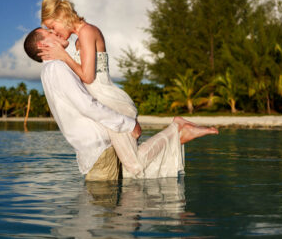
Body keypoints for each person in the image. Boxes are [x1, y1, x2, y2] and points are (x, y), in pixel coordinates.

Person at [24, 27, 218, 181]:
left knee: (107, 215)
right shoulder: (56, 68)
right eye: (49, 33)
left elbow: (87, 101)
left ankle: (176, 131)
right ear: (42, 44)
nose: (54, 33)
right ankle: (176, 132)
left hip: (98, 148)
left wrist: (126, 123)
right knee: (129, 179)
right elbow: (83, 106)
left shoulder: (55, 68)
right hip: (95, 149)